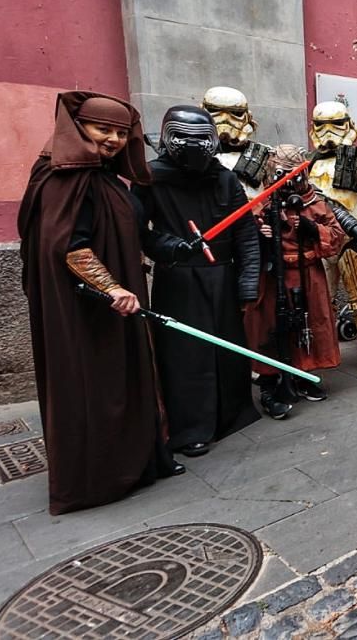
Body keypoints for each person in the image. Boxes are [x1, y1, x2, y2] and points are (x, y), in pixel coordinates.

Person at [18, 91, 184, 515]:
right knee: (99, 383)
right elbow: (69, 247)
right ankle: (101, 476)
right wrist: (111, 288)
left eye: (119, 132)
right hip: (88, 309)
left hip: (120, 299)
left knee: (131, 375)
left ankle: (144, 460)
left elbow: (132, 231)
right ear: (79, 128)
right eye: (101, 129)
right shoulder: (65, 178)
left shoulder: (106, 177)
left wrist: (171, 247)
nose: (111, 139)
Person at [133, 106, 261, 458]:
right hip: (179, 280)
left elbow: (245, 234)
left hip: (222, 273)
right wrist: (172, 247)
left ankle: (231, 414)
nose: (192, 145)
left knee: (227, 349)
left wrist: (247, 283)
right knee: (187, 356)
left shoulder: (225, 178)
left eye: (200, 138)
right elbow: (138, 231)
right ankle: (191, 427)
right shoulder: (150, 177)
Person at [244, 146, 346, 416]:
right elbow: (242, 241)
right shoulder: (263, 203)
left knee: (310, 323)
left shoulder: (316, 202)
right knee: (270, 325)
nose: (289, 180)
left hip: (307, 272)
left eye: (294, 173)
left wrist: (313, 229)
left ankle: (304, 375)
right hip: (273, 274)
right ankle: (269, 381)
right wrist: (260, 233)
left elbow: (336, 236)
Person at [308, 101, 357, 378]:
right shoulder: (308, 165)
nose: (328, 131)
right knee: (321, 302)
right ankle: (324, 353)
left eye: (336, 123)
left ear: (349, 124)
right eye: (321, 124)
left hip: (353, 239)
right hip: (319, 240)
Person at [203, 86, 270, 197]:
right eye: (214, 111)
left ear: (248, 116)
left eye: (235, 112)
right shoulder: (192, 153)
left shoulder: (266, 155)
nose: (225, 119)